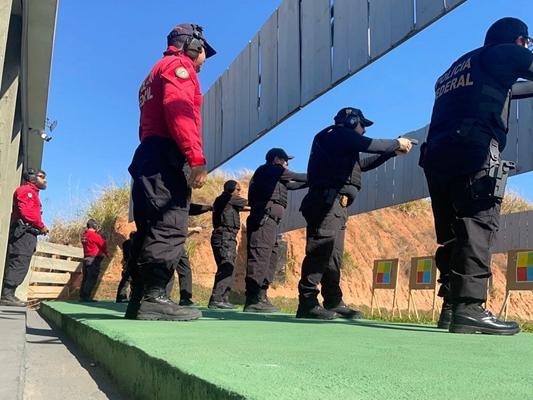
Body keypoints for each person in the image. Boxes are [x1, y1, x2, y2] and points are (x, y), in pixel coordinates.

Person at [419, 17, 533, 335]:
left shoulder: (459, 67)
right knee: (477, 224)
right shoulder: (507, 52)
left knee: (453, 232)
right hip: (473, 148)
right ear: (518, 40)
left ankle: (452, 306)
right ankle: (469, 306)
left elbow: (511, 89)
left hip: (437, 154)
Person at [126, 23, 216, 321]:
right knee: (169, 224)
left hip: (147, 154)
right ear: (192, 46)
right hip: (166, 154)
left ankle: (139, 299)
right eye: (203, 53)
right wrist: (195, 158)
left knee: (148, 228)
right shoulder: (180, 66)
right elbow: (179, 112)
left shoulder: (152, 73)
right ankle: (156, 298)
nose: (204, 60)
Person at [297, 108, 413, 319]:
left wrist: (391, 152)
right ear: (351, 121)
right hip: (326, 202)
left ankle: (333, 300)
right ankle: (307, 302)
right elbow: (371, 145)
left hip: (335, 204)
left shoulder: (339, 142)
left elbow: (363, 164)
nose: (362, 130)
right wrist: (396, 143)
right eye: (362, 125)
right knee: (319, 252)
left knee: (333, 257)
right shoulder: (336, 133)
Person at [244, 148, 307, 313]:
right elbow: (297, 177)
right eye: (285, 160)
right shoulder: (270, 169)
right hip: (264, 219)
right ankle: (252, 299)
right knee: (260, 256)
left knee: (270, 258)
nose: (287, 164)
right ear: (276, 160)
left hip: (270, 221)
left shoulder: (273, 177)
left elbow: (295, 184)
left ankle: (261, 296)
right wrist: (320, 175)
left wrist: (315, 181)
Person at [0, 168, 49, 307]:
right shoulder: (25, 191)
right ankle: (7, 295)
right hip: (23, 233)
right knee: (19, 261)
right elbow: (27, 213)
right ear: (32, 177)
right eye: (41, 176)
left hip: (28, 234)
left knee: (22, 262)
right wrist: (41, 225)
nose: (44, 180)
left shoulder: (33, 193)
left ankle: (10, 295)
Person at [208, 180, 250, 309]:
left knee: (229, 267)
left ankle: (222, 298)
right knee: (226, 267)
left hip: (226, 237)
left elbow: (244, 208)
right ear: (232, 189)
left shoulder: (226, 201)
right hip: (224, 237)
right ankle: (216, 298)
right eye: (238, 190)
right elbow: (249, 203)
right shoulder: (228, 197)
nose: (239, 193)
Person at [165, 203, 213, 306]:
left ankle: (185, 299)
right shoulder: (171, 208)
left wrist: (209, 207)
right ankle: (165, 297)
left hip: (179, 244)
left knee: (185, 270)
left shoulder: (182, 209)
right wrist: (193, 229)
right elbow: (174, 227)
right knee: (169, 270)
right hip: (171, 243)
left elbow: (183, 232)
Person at [80, 219, 109, 302]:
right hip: (93, 259)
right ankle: (86, 296)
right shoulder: (94, 235)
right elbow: (103, 244)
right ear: (95, 226)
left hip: (86, 258)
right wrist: (106, 252)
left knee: (85, 278)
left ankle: (82, 296)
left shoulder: (84, 235)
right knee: (92, 278)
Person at [116, 231, 135, 303]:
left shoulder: (126, 243)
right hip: (131, 264)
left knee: (126, 280)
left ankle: (122, 296)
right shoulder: (132, 244)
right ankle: (122, 296)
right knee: (127, 280)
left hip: (127, 263)